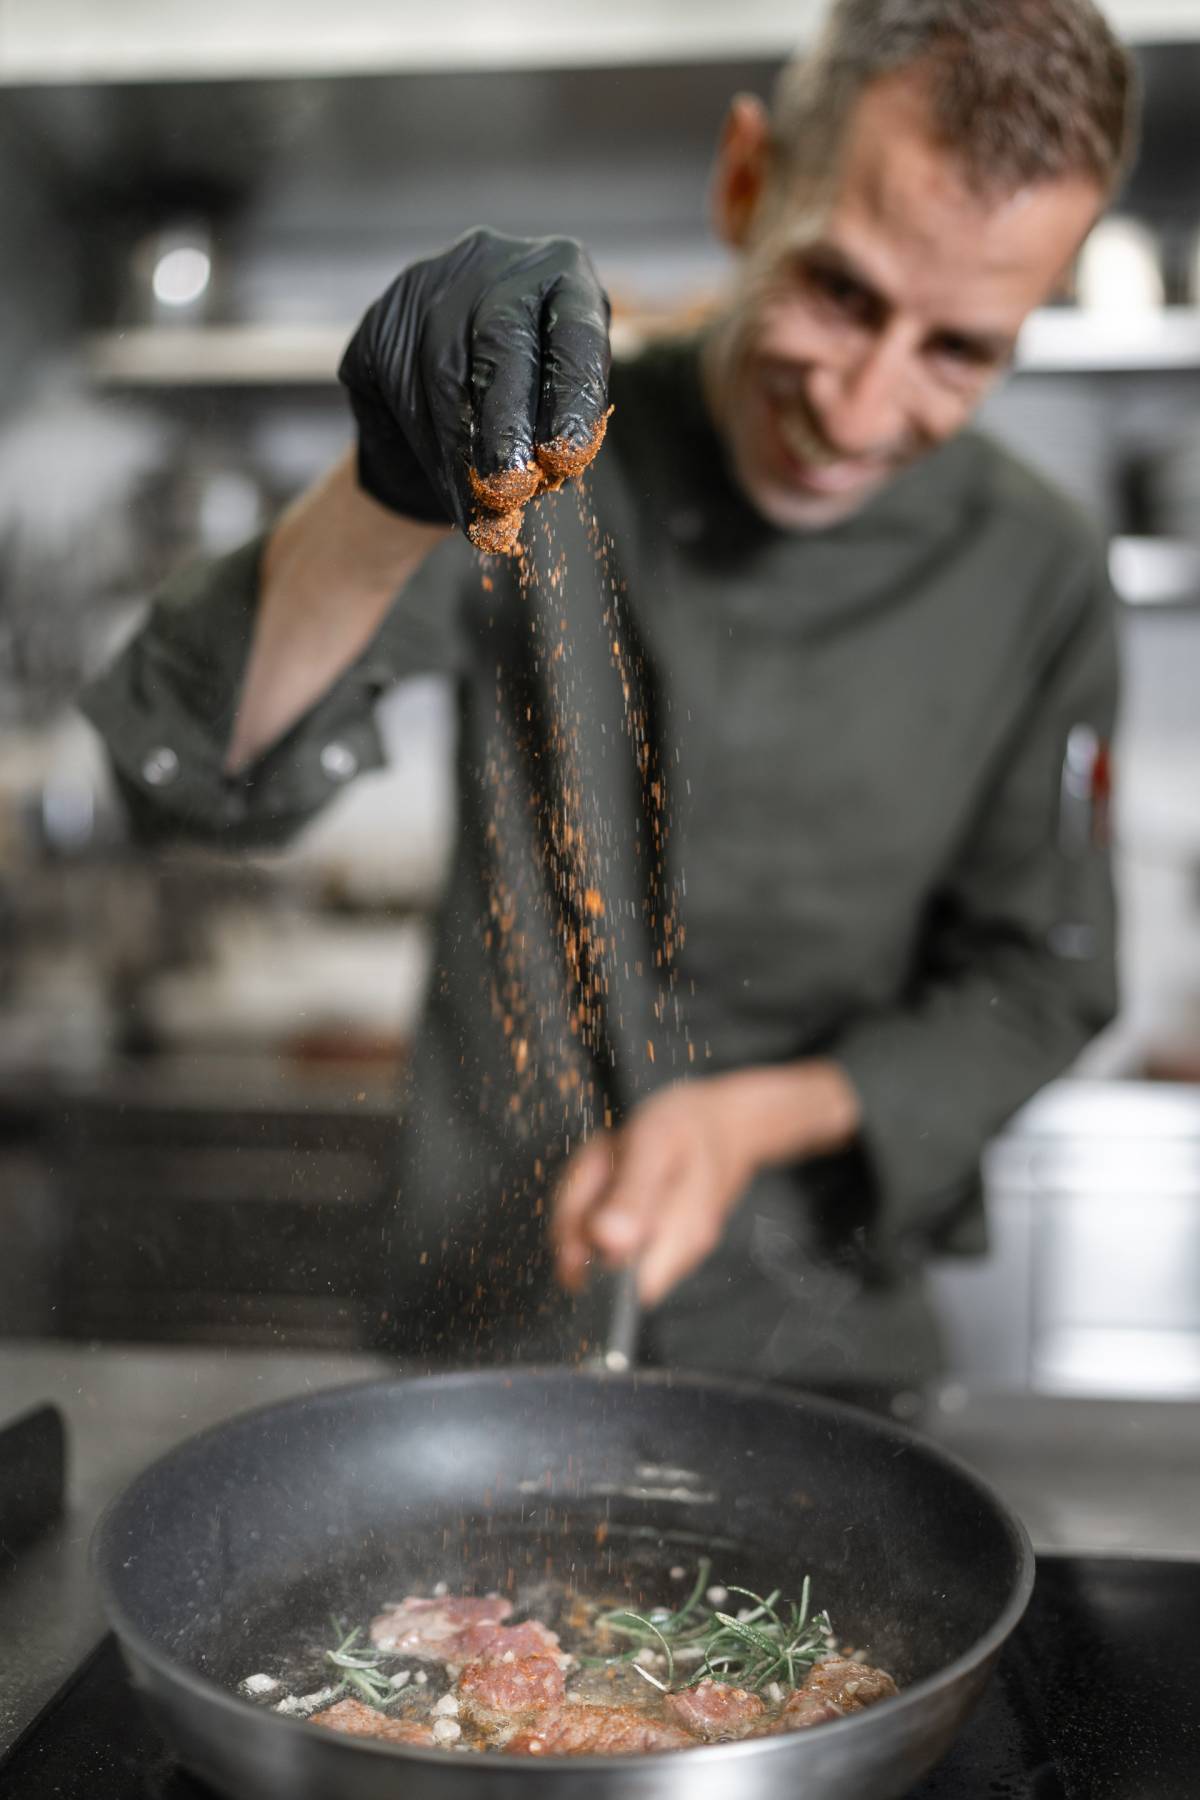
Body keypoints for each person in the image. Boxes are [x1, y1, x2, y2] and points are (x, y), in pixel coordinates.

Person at [81, 0, 1136, 1386]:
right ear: (747, 181)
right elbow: (193, 776)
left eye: (962, 351)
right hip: (487, 1323)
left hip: (823, 1348)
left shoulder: (1038, 573)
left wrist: (751, 1119)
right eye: (842, 291)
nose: (868, 410)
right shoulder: (547, 449)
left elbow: (1039, 980)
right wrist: (390, 488)